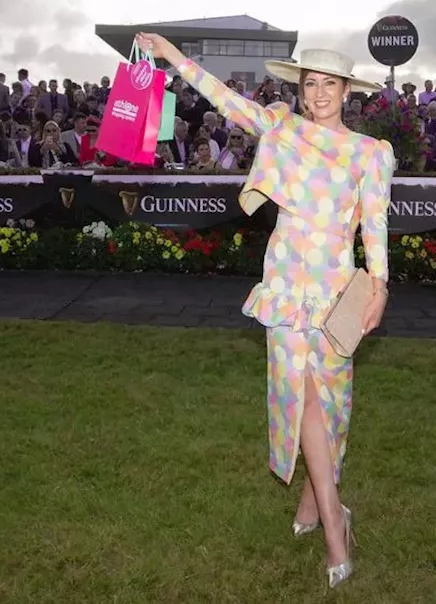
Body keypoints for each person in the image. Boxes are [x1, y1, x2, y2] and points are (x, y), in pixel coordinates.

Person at [136, 32, 391, 589]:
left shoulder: (371, 153)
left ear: (348, 91)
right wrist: (173, 57)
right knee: (301, 401)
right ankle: (332, 526)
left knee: (331, 403)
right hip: (283, 285)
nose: (318, 93)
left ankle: (312, 506)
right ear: (300, 89)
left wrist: (380, 286)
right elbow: (225, 100)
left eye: (329, 84)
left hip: (334, 290)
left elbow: (375, 225)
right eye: (310, 83)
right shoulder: (282, 129)